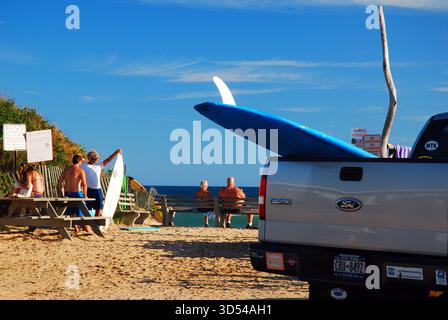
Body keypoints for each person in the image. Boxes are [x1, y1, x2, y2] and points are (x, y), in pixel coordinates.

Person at [81, 149, 122, 217]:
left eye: (96, 158)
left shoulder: (99, 164)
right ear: (89, 158)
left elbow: (108, 160)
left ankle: (96, 224)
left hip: (97, 189)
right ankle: (88, 224)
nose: (94, 160)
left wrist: (115, 152)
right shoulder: (83, 166)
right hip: (88, 189)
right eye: (93, 158)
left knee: (98, 208)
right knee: (88, 208)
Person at [57, 154, 89, 233]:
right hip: (77, 193)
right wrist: (85, 195)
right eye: (81, 161)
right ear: (79, 161)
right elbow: (84, 184)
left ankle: (75, 227)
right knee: (81, 211)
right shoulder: (81, 170)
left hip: (68, 193)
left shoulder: (66, 170)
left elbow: (59, 183)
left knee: (71, 210)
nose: (82, 162)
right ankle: (83, 227)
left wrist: (60, 195)